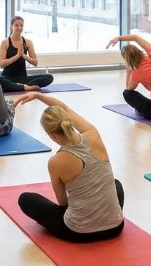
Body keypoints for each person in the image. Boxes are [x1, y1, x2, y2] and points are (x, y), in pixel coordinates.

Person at [15, 92, 124, 242]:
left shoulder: (56, 162)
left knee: (26, 199)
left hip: (79, 233)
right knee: (116, 184)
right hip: (116, 227)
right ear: (69, 122)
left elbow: (63, 204)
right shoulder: (93, 134)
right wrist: (39, 95)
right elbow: (63, 107)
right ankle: (105, 218)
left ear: (51, 135)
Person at [0, 16, 54, 93]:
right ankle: (24, 87)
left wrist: (25, 56)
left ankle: (21, 86)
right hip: (7, 78)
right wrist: (17, 56)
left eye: (21, 25)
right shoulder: (5, 42)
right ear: (11, 26)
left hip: (23, 78)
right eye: (16, 25)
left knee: (49, 77)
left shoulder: (28, 42)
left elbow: (35, 62)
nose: (19, 28)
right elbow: (1, 64)